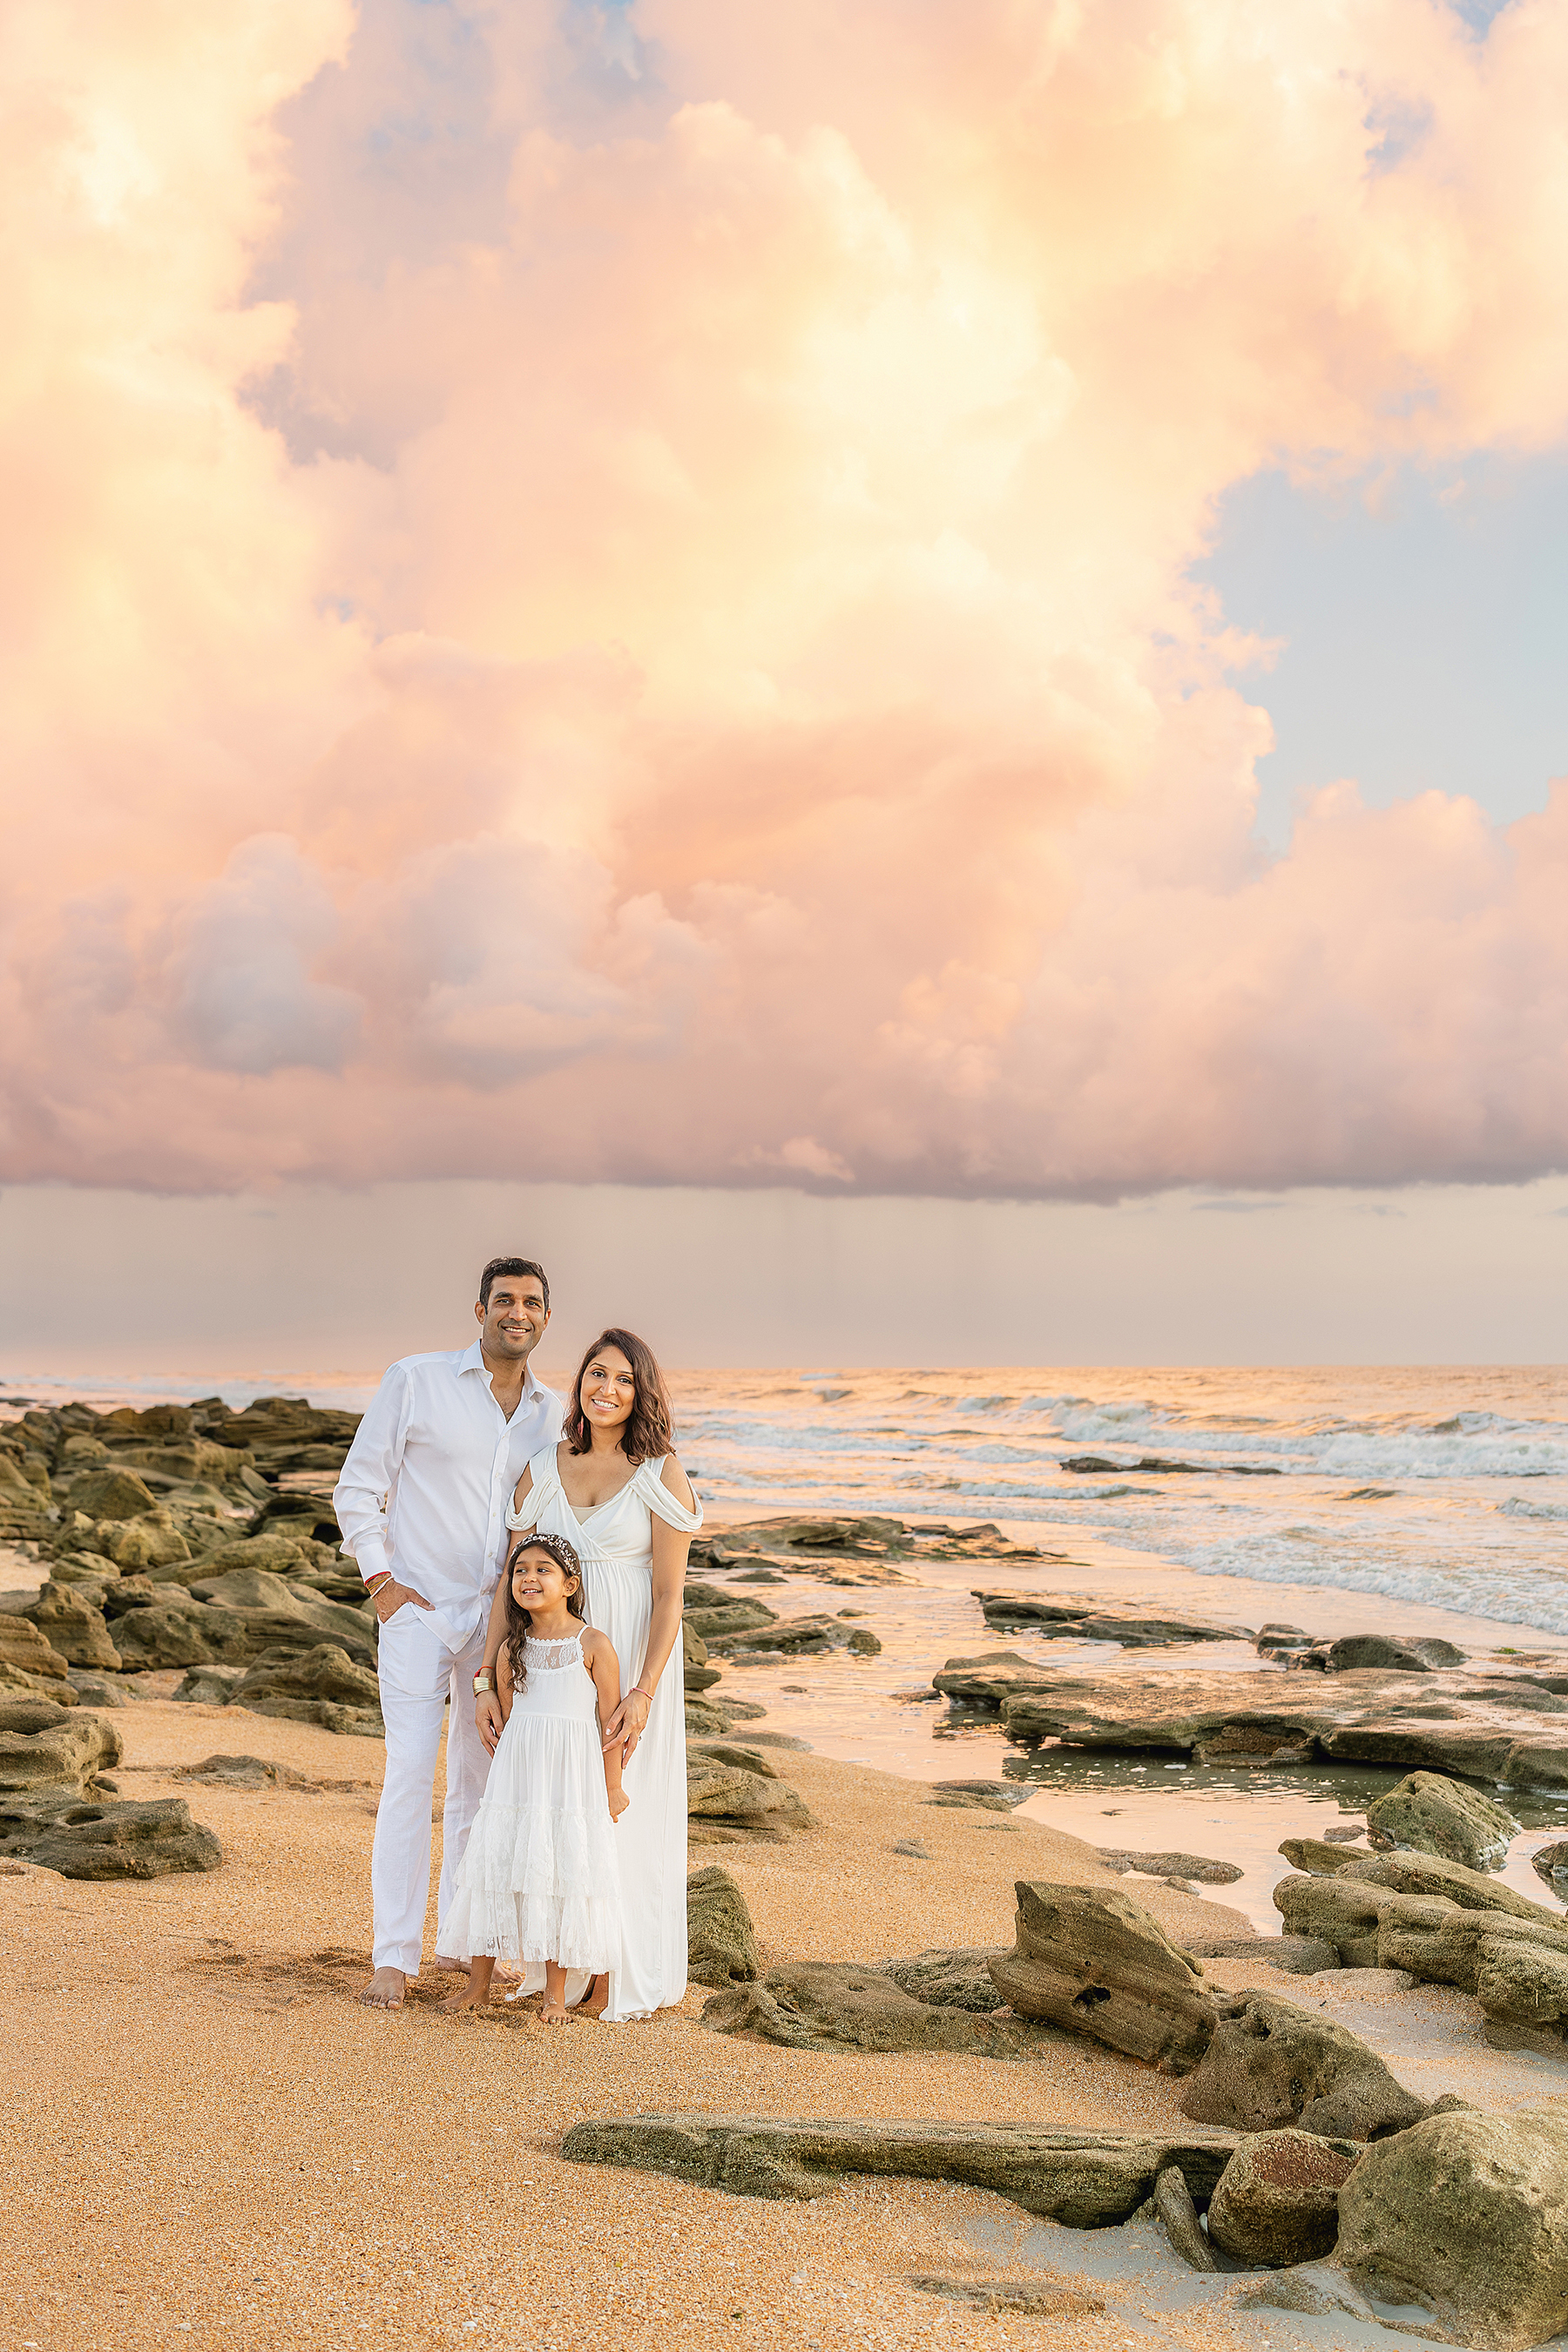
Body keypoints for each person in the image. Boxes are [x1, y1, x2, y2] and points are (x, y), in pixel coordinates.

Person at [334, 1258, 562, 2011]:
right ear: (480, 1310)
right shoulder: (417, 1379)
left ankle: (466, 1953)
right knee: (407, 1779)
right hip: (417, 1617)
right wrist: (380, 1583)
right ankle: (392, 1960)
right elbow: (358, 1484)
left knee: (478, 1788)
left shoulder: (550, 1413)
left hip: (494, 1627)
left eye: (531, 1303)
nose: (516, 1313)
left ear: (545, 1319)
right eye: (504, 1300)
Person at [476, 1327, 700, 2022]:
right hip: (555, 1670)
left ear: (643, 1392)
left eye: (625, 1379)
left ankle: (619, 1969)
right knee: (567, 1811)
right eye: (597, 1374)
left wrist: (643, 1691)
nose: (607, 1389)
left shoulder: (661, 1470)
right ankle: (569, 1965)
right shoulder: (544, 1466)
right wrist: (487, 1681)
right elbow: (505, 1583)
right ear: (580, 1384)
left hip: (633, 1657)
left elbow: (670, 1596)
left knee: (624, 1803)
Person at [439, 1531, 626, 2023]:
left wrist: (612, 1785)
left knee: (559, 1874)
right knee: (495, 1867)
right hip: (518, 1779)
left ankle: (553, 1996)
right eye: (521, 1570)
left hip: (569, 1780)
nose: (529, 1578)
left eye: (543, 1570)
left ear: (570, 1584)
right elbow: (505, 1715)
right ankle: (478, 1986)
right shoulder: (510, 1650)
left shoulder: (593, 1644)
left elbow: (612, 1726)